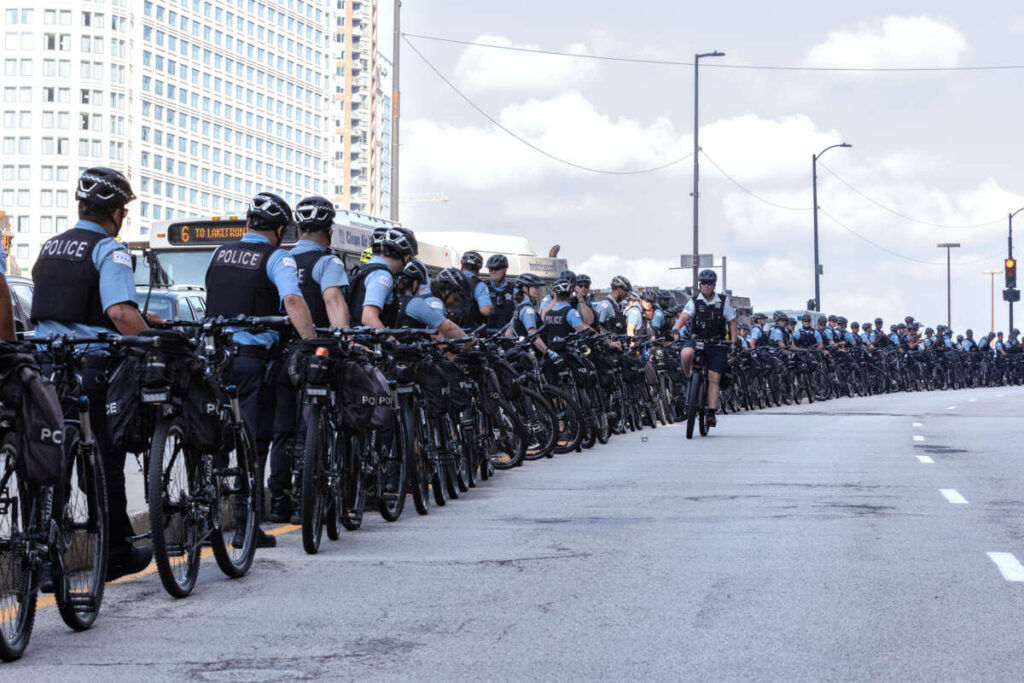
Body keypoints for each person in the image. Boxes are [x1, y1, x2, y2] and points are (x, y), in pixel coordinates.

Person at [31, 167, 160, 580]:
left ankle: (45, 555)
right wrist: (152, 343)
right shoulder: (110, 249)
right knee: (103, 457)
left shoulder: (50, 247)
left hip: (46, 365)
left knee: (50, 456)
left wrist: (145, 317)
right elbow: (120, 313)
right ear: (116, 212)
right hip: (92, 365)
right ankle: (117, 552)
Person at [204, 191, 315, 548]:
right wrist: (310, 342)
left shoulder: (219, 253)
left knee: (214, 442)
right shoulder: (276, 257)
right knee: (254, 443)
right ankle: (245, 525)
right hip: (253, 360)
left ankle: (204, 522)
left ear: (248, 223)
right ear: (280, 229)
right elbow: (293, 300)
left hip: (214, 358)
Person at [267, 196, 350, 524]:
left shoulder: (280, 259)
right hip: (314, 354)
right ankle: (304, 502)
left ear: (297, 228)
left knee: (282, 431)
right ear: (329, 230)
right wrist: (342, 339)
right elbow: (333, 299)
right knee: (308, 428)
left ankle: (278, 501)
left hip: (281, 355)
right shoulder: (327, 262)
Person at [670, 269, 738, 428]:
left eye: (710, 283)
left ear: (714, 285)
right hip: (697, 340)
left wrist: (733, 344)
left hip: (717, 344)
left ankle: (711, 413)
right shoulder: (694, 301)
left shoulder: (723, 301)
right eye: (703, 283)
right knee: (686, 353)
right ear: (699, 284)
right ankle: (689, 378)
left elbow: (732, 322)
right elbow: (684, 316)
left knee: (714, 377)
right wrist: (675, 329)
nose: (706, 286)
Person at [348, 227, 416, 329]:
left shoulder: (364, 269)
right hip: (369, 342)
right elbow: (369, 318)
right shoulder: (382, 275)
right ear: (406, 257)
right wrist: (392, 341)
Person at [399, 268, 468, 339]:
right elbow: (437, 334)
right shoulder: (436, 302)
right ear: (447, 289)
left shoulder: (425, 296)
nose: (456, 302)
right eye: (456, 296)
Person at [542, 279, 589, 349]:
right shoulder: (571, 312)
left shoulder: (547, 313)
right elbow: (581, 334)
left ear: (555, 294)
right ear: (570, 294)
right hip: (568, 354)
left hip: (552, 354)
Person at [450, 251, 492, 328]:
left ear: (462, 264)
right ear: (478, 268)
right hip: (468, 332)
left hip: (446, 329)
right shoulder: (480, 285)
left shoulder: (448, 278)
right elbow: (486, 310)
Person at [484, 254, 515, 331]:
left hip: (506, 334)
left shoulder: (514, 289)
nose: (493, 271)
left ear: (505, 270)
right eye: (491, 269)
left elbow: (519, 311)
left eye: (497, 268)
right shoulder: (483, 287)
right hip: (486, 335)